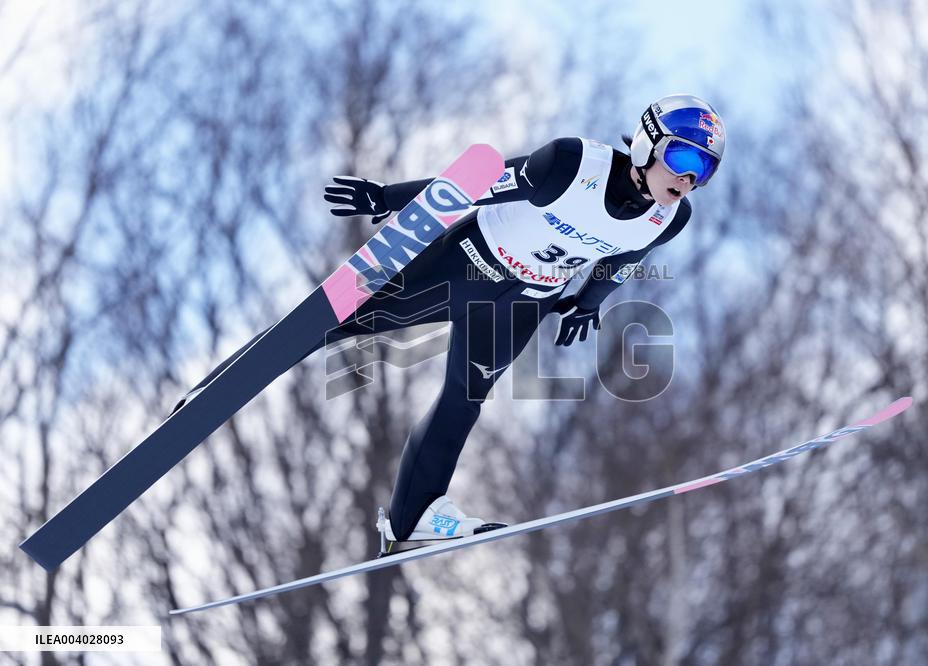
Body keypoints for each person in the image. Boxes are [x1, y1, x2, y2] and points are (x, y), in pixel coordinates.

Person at [179, 94, 726, 553]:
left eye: (703, 168)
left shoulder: (669, 218)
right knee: (338, 322)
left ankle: (411, 517)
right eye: (682, 157)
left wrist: (588, 302)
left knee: (465, 397)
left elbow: (619, 259)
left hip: (522, 302)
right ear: (646, 141)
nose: (687, 177)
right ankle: (216, 388)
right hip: (467, 263)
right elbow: (476, 185)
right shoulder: (570, 165)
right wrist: (387, 197)